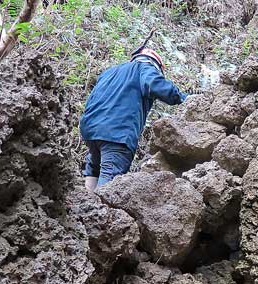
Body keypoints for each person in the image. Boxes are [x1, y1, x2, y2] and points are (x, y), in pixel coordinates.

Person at [80, 47, 187, 191]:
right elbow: (154, 84)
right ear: (156, 65)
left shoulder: (109, 72)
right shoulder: (145, 67)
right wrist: (183, 98)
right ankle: (97, 209)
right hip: (117, 133)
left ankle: (85, 204)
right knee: (110, 177)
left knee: (94, 169)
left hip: (91, 130)